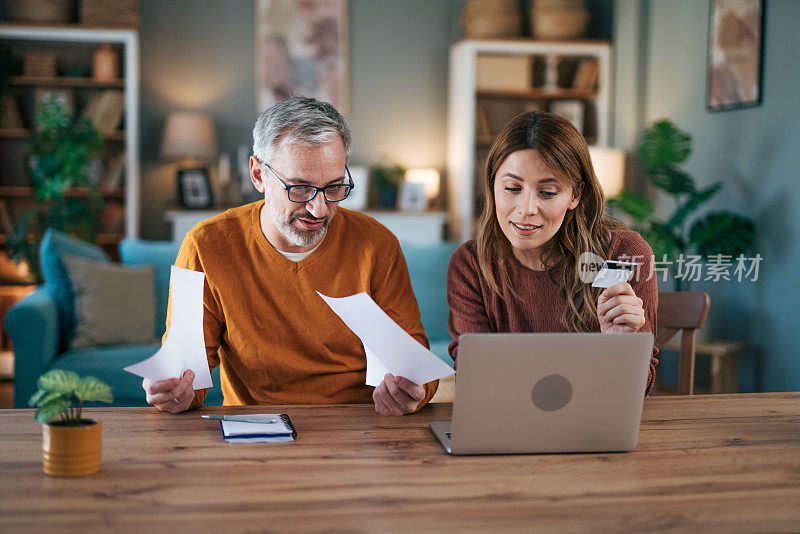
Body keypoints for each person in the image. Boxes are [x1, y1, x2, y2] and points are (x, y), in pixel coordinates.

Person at [142, 96, 437, 415]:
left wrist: (413, 392)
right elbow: (188, 376)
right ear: (258, 175)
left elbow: (418, 366)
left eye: (334, 188)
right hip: (257, 428)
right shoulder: (206, 245)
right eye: (299, 188)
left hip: (359, 424)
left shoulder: (377, 245)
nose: (319, 209)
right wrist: (176, 393)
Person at [447, 111, 659, 394]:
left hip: (593, 428)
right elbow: (476, 378)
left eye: (547, 193)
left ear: (575, 195)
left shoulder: (621, 255)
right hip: (508, 427)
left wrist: (619, 346)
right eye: (512, 188)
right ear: (492, 186)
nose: (526, 208)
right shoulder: (471, 264)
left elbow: (639, 390)